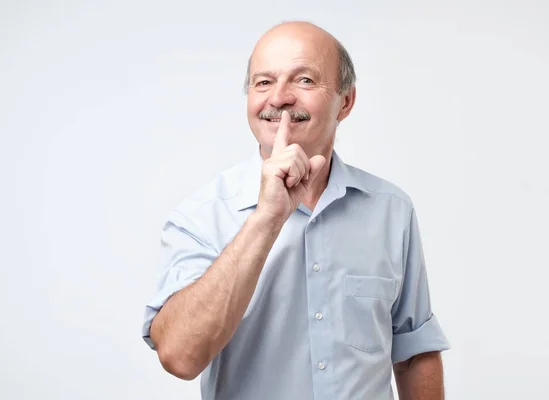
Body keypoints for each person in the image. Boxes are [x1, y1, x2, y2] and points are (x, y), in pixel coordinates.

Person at [142, 20, 450, 400]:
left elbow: (413, 353)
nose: (279, 98)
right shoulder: (202, 215)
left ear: (346, 102)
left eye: (304, 80)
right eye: (263, 82)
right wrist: (267, 218)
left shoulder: (391, 210)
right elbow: (179, 357)